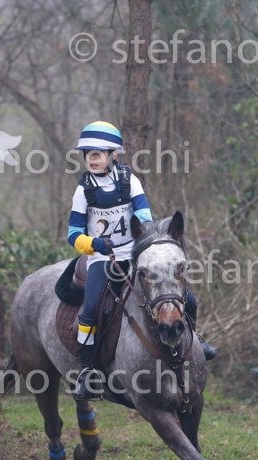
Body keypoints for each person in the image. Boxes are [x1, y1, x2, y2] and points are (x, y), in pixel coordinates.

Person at [67, 120, 218, 401]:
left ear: (113, 155)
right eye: (88, 154)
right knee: (90, 311)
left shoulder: (130, 180)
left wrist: (144, 239)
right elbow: (73, 234)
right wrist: (94, 244)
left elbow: (144, 215)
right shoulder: (82, 190)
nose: (92, 159)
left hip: (135, 253)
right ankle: (87, 371)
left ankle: (196, 341)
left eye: (97, 154)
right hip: (101, 258)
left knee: (188, 298)